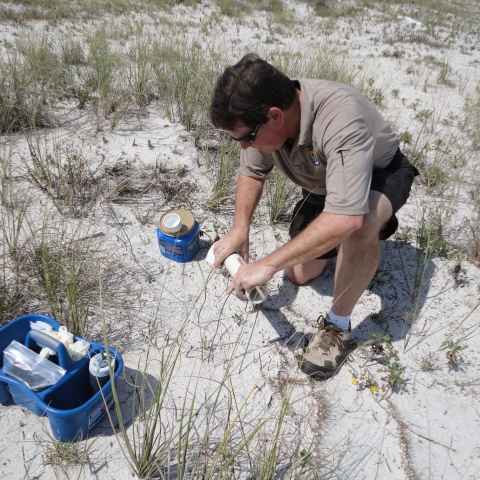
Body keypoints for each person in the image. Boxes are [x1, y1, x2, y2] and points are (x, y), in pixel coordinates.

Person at [209, 53, 418, 380]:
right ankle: (341, 219)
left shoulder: (339, 118)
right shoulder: (264, 115)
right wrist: (240, 228)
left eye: (245, 138)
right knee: (299, 274)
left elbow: (346, 219)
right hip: (326, 185)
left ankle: (338, 326)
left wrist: (266, 265)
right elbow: (251, 173)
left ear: (275, 116)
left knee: (358, 226)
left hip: (381, 173)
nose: (243, 145)